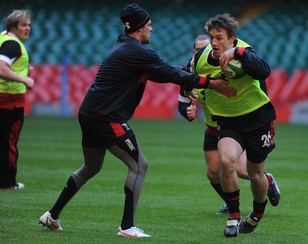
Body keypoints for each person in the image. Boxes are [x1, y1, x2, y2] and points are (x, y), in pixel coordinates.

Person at [38, 3, 235, 238]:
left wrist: (191, 79)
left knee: (91, 166)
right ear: (140, 27)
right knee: (139, 165)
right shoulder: (137, 51)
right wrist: (209, 82)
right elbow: (168, 72)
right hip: (106, 118)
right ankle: (127, 227)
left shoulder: (125, 47)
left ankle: (52, 215)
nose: (151, 29)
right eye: (149, 25)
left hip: (90, 114)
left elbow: (162, 73)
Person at [189, 14, 279, 237]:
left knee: (254, 174)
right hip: (228, 121)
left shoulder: (245, 52)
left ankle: (257, 213)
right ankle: (233, 216)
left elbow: (264, 70)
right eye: (212, 37)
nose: (214, 42)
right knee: (227, 161)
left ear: (232, 39)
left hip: (257, 119)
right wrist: (185, 103)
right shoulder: (201, 57)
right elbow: (185, 76)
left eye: (219, 38)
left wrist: (238, 53)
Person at [0, 9, 35, 190]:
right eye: (23, 25)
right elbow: (2, 68)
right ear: (13, 26)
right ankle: (7, 183)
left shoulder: (3, 38)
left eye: (29, 24)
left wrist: (23, 69)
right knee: (9, 142)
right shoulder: (13, 45)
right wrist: (25, 79)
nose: (28, 28)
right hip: (9, 102)